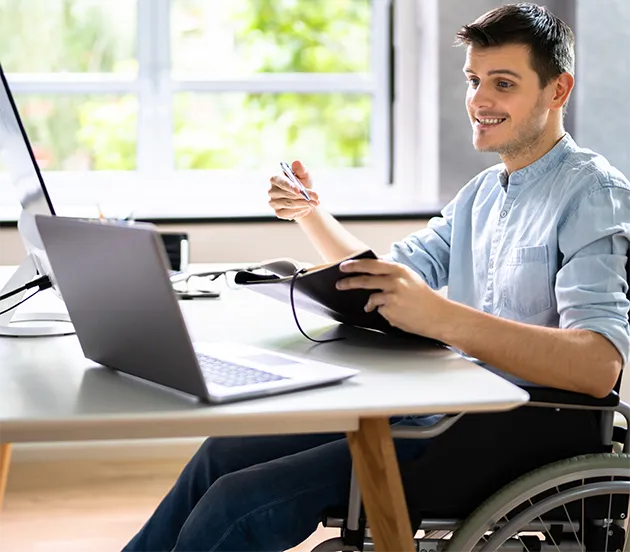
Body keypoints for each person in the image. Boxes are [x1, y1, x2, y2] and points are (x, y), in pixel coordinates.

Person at [123, 3, 630, 551]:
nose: (479, 100)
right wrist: (309, 213)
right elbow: (385, 276)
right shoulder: (483, 193)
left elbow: (597, 365)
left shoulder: (592, 194)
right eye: (474, 80)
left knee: (237, 503)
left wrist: (442, 317)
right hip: (437, 409)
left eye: (502, 83)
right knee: (219, 454)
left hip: (499, 435)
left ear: (557, 90)